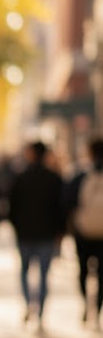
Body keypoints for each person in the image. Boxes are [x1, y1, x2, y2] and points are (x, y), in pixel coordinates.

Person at [7, 140, 65, 326]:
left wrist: (15, 226)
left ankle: (29, 303)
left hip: (25, 233)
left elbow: (11, 207)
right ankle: (39, 310)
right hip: (47, 234)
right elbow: (61, 207)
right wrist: (60, 231)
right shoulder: (54, 178)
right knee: (43, 274)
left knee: (25, 271)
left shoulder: (21, 177)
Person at [63, 136, 103, 326]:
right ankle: (99, 307)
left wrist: (68, 228)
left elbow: (68, 203)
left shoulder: (80, 175)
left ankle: (86, 304)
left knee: (83, 270)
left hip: (83, 232)